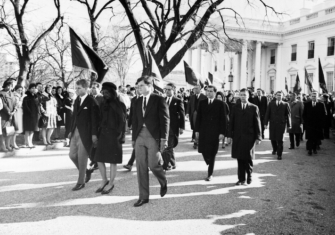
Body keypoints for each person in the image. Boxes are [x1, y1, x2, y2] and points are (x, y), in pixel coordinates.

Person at [132, 75, 169, 207]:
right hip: (139, 136)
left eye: (141, 85)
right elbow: (134, 120)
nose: (139, 88)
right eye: (138, 86)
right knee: (141, 166)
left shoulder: (159, 99)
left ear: (150, 86)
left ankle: (163, 180)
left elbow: (165, 120)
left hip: (153, 136)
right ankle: (143, 197)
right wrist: (133, 139)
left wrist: (164, 139)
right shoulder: (136, 101)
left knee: (153, 165)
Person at [94, 82, 127, 194]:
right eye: (103, 92)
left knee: (113, 161)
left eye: (107, 92)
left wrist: (121, 135)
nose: (105, 94)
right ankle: (104, 180)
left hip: (114, 135)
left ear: (112, 92)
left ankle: (111, 183)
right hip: (103, 133)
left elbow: (123, 122)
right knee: (99, 158)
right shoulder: (102, 103)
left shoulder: (120, 104)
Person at [68, 79, 99, 191]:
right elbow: (74, 117)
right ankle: (87, 171)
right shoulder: (77, 100)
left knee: (82, 158)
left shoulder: (92, 101)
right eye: (76, 88)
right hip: (75, 131)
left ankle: (81, 182)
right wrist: (71, 130)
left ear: (86, 89)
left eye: (79, 88)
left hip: (86, 133)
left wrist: (94, 134)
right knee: (72, 155)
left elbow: (95, 120)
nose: (76, 90)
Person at [229, 88, 262, 185]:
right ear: (239, 96)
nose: (243, 96)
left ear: (248, 96)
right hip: (238, 136)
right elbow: (231, 122)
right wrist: (229, 135)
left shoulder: (254, 107)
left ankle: (249, 175)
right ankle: (241, 179)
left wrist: (258, 137)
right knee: (240, 158)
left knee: (248, 158)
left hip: (249, 137)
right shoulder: (235, 107)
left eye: (245, 95)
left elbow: (257, 123)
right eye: (241, 95)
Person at [195, 85, 226, 181]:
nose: (209, 93)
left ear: (215, 92)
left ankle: (210, 174)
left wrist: (222, 133)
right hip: (204, 130)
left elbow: (223, 120)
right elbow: (198, 117)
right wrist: (196, 130)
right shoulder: (202, 102)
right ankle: (208, 161)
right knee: (203, 150)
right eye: (207, 91)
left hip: (214, 132)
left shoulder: (220, 104)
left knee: (212, 153)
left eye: (211, 91)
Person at [264, 91, 291, 160]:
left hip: (281, 125)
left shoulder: (285, 104)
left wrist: (289, 125)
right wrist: (265, 123)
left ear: (282, 96)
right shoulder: (271, 104)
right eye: (278, 95)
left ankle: (279, 154)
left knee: (280, 140)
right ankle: (275, 149)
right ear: (275, 96)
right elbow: (267, 113)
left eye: (280, 95)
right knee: (273, 138)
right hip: (273, 124)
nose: (279, 96)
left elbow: (288, 115)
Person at [164, 83, 185, 170]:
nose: (167, 91)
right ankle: (173, 163)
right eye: (166, 89)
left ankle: (166, 164)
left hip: (173, 127)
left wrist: (181, 127)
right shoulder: (163, 100)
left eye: (169, 89)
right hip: (164, 127)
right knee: (169, 146)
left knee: (169, 146)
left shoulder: (178, 100)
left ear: (173, 90)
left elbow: (182, 114)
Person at [303, 91, 326, 155]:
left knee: (316, 138)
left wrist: (321, 123)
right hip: (309, 125)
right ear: (311, 97)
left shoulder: (321, 105)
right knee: (310, 138)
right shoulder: (307, 104)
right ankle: (310, 150)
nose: (313, 97)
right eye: (312, 96)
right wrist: (306, 122)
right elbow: (304, 114)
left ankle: (314, 149)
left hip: (317, 125)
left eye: (315, 96)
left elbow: (323, 115)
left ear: (317, 97)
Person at [124, 83, 141, 171]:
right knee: (136, 144)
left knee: (138, 145)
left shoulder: (148, 99)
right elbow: (132, 113)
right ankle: (130, 163)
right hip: (135, 125)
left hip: (144, 127)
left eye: (139, 87)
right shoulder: (134, 99)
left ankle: (130, 163)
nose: (138, 89)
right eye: (136, 88)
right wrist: (129, 124)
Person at [0, 80, 17, 151]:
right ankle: (3, 146)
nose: (10, 87)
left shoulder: (12, 93)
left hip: (12, 115)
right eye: (9, 85)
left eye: (11, 86)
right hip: (4, 115)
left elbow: (15, 102)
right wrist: (9, 112)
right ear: (5, 85)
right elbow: (3, 104)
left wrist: (15, 110)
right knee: (4, 131)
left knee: (10, 131)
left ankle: (8, 145)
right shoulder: (1, 93)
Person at [187, 84, 206, 148]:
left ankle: (197, 141)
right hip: (193, 114)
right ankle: (196, 140)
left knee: (199, 128)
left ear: (200, 89)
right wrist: (187, 113)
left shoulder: (204, 97)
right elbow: (189, 105)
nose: (195, 90)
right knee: (195, 127)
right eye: (194, 88)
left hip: (201, 115)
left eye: (197, 88)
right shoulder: (192, 97)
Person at [22, 83, 40, 148]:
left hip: (35, 115)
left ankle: (30, 142)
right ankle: (27, 142)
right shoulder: (26, 97)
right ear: (29, 89)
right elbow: (25, 107)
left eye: (34, 88)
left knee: (32, 129)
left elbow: (38, 105)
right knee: (27, 129)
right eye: (32, 88)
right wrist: (30, 113)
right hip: (28, 115)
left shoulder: (36, 97)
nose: (33, 89)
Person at [12, 85, 24, 149]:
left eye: (21, 90)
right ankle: (13, 143)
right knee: (15, 128)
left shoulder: (20, 96)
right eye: (18, 90)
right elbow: (16, 104)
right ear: (15, 89)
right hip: (15, 112)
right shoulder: (15, 95)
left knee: (17, 128)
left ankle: (13, 142)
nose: (20, 91)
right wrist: (21, 100)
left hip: (19, 112)